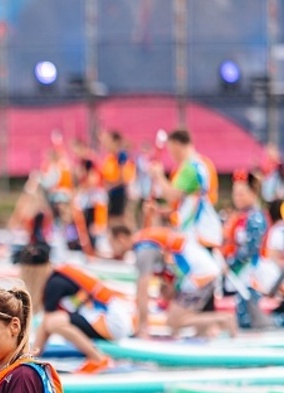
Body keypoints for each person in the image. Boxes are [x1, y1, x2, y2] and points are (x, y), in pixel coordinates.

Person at [17, 243, 134, 373]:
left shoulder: (54, 284)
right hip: (111, 320)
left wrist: (29, 357)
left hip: (112, 322)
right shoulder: (57, 276)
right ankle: (97, 358)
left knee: (53, 322)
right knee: (52, 322)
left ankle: (98, 359)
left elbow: (47, 323)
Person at [109, 225, 237, 339]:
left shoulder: (144, 250)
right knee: (198, 330)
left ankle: (224, 319)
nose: (111, 249)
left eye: (111, 243)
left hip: (200, 275)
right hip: (204, 270)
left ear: (121, 238)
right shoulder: (146, 241)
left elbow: (142, 291)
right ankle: (216, 329)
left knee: (173, 322)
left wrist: (142, 328)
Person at [148, 129, 222, 250]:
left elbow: (172, 195)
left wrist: (158, 175)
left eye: (171, 151)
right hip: (202, 229)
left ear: (177, 145)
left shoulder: (191, 167)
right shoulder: (203, 163)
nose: (171, 156)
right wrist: (161, 211)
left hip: (198, 231)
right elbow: (186, 203)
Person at [222, 169, 277, 328]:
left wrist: (231, 264)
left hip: (253, 272)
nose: (236, 197)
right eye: (235, 193)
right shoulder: (241, 217)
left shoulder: (256, 218)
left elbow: (251, 249)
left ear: (253, 193)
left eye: (241, 193)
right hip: (242, 273)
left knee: (250, 312)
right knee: (243, 309)